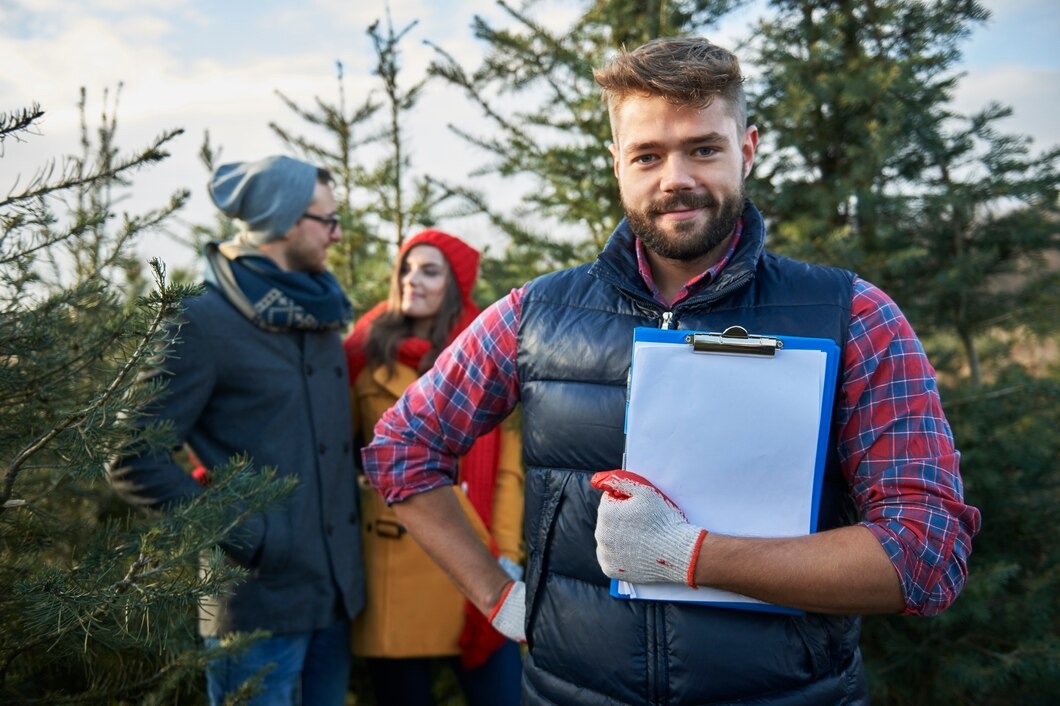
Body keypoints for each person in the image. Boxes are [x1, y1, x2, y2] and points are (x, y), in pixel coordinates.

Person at [360, 37, 983, 705]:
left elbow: (927, 553)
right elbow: (401, 450)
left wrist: (691, 556)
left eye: (703, 149)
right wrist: (500, 597)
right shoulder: (534, 315)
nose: (674, 178)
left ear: (747, 148)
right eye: (648, 156)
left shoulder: (853, 315)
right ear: (616, 165)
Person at [108, 155, 365, 706]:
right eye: (328, 220)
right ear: (287, 220)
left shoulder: (318, 313)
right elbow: (132, 455)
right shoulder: (201, 321)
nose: (338, 233)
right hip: (256, 608)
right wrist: (246, 535)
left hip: (335, 599)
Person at [344, 229, 524, 706]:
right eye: (405, 268)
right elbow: (339, 448)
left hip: (471, 549)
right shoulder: (364, 353)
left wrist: (505, 553)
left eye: (429, 270)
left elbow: (507, 472)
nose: (411, 280)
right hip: (393, 554)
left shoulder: (483, 356)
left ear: (454, 284)